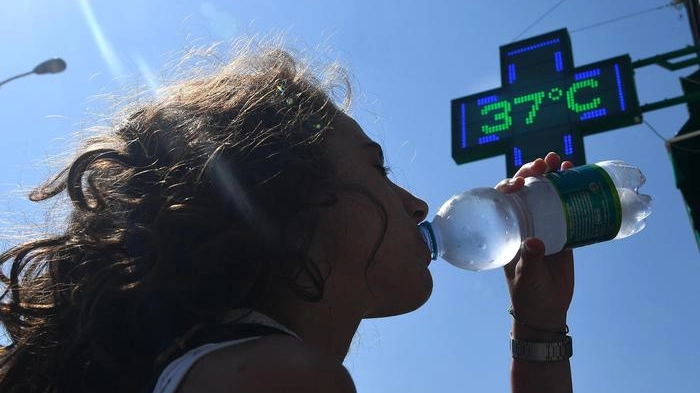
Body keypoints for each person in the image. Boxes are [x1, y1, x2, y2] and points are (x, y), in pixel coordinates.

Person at [0, 41, 575, 393]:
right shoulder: (280, 379)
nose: (418, 205)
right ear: (289, 201)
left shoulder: (208, 364)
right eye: (377, 169)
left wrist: (539, 325)